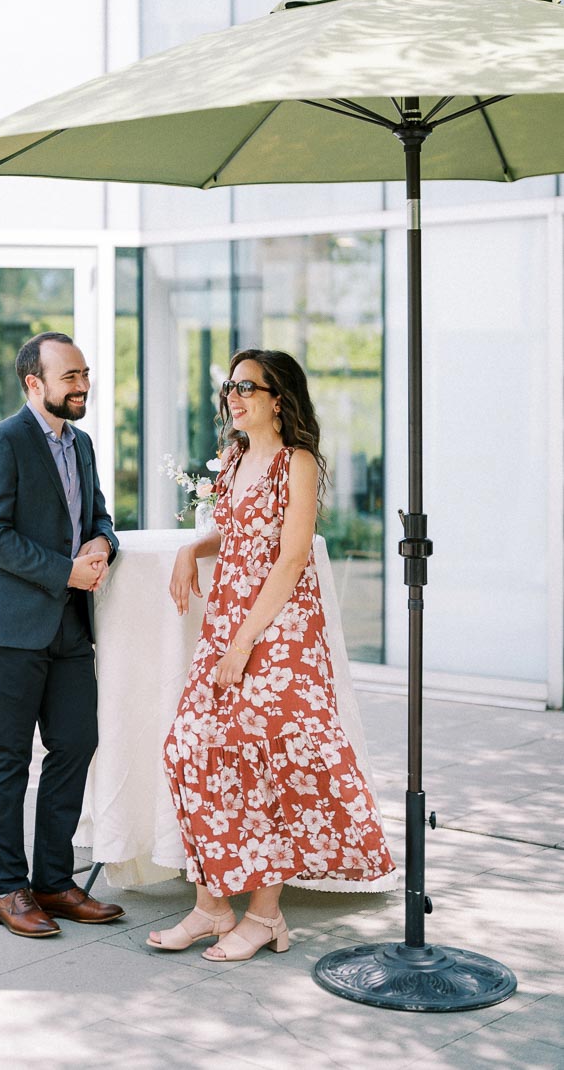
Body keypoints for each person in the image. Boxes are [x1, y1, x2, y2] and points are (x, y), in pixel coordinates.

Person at [148, 349, 394, 962]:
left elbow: (290, 558)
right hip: (229, 625)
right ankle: (211, 907)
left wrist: (243, 644)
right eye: (228, 386)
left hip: (277, 631)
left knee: (266, 762)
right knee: (192, 748)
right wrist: (190, 550)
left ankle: (264, 917)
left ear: (278, 398)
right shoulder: (235, 458)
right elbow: (231, 530)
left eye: (247, 387)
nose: (233, 396)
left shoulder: (298, 463)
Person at [0, 332, 124, 938]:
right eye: (70, 376)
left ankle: (54, 881)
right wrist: (65, 571)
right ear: (35, 383)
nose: (82, 385)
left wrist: (105, 540)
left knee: (76, 742)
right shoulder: (2, 441)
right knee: (6, 757)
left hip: (70, 628)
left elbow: (97, 514)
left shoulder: (80, 444)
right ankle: (9, 890)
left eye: (85, 373)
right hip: (6, 629)